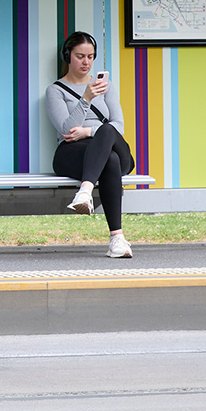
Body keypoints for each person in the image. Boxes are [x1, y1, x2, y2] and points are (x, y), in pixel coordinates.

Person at [44, 31, 135, 259]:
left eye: (90, 56)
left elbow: (118, 126)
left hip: (113, 146)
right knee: (109, 161)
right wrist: (85, 99)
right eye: (79, 56)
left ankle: (85, 191)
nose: (86, 62)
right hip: (74, 153)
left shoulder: (106, 86)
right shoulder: (55, 90)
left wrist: (87, 131)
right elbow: (66, 129)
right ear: (68, 56)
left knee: (107, 131)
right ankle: (117, 239)